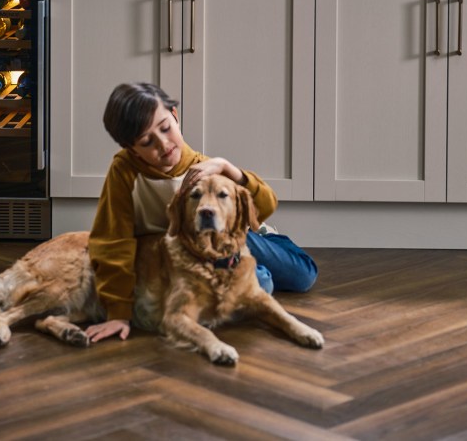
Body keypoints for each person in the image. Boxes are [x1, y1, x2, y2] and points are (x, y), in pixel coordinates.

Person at [85, 82, 318, 343]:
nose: (163, 145)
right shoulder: (123, 172)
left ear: (175, 116)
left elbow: (265, 205)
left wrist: (228, 168)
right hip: (178, 250)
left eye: (165, 128)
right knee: (261, 285)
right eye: (147, 141)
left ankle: (267, 237)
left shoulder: (202, 167)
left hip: (230, 235)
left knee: (303, 276)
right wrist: (118, 312)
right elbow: (112, 241)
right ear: (132, 149)